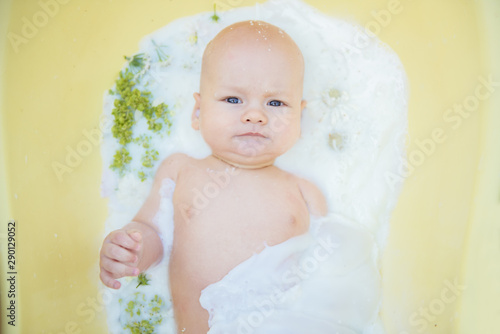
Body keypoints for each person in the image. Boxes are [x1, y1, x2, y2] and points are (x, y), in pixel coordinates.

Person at [99, 20, 328, 333]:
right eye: (233, 100)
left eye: (276, 103)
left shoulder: (304, 192)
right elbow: (152, 230)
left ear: (299, 118)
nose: (255, 115)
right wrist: (131, 250)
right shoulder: (180, 171)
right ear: (197, 112)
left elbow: (333, 265)